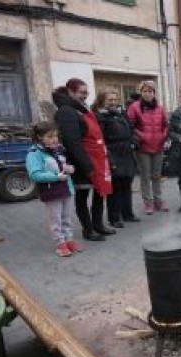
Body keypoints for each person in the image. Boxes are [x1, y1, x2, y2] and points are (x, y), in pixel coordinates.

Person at [53, 78, 114, 241]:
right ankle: (88, 230)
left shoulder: (81, 109)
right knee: (82, 197)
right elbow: (72, 142)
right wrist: (86, 166)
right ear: (70, 91)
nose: (84, 96)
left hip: (96, 159)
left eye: (86, 92)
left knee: (100, 193)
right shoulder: (66, 111)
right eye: (81, 92)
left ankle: (98, 225)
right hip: (82, 162)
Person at [26, 122, 82, 257]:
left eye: (56, 136)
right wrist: (56, 177)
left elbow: (63, 164)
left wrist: (69, 168)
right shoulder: (34, 153)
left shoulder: (58, 149)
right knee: (55, 219)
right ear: (40, 137)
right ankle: (60, 243)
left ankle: (69, 240)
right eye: (50, 136)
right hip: (52, 192)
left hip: (66, 189)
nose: (55, 139)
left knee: (67, 217)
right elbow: (35, 174)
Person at [93, 90, 140, 227]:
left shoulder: (121, 114)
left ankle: (128, 214)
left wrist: (134, 141)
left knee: (127, 185)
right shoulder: (101, 117)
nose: (113, 102)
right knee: (115, 188)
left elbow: (131, 130)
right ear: (102, 101)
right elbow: (101, 139)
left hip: (126, 153)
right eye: (110, 100)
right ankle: (114, 218)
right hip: (113, 154)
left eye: (115, 99)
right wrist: (109, 158)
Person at [127, 80, 169, 215]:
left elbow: (165, 125)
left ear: (154, 93)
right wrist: (141, 136)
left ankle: (158, 200)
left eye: (150, 91)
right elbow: (130, 126)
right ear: (141, 92)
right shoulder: (134, 107)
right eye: (145, 91)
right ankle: (148, 202)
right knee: (145, 176)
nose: (148, 94)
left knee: (157, 175)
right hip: (143, 148)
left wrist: (164, 136)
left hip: (158, 146)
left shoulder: (160, 108)